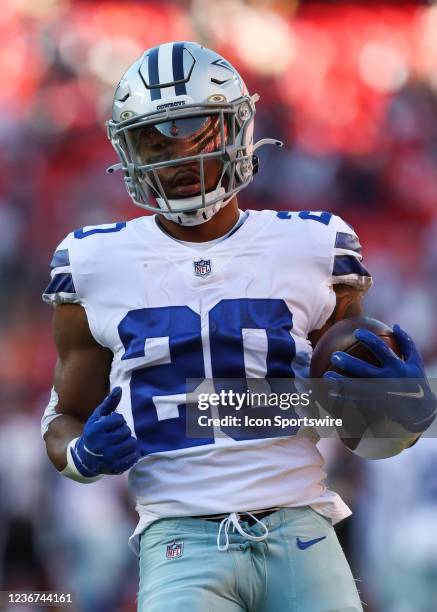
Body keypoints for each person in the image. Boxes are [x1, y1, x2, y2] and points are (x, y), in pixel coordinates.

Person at [41, 42, 435, 612]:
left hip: (302, 525)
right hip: (178, 538)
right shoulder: (92, 262)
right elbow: (64, 417)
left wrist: (399, 413)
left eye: (195, 133)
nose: (177, 159)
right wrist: (81, 455)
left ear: (237, 129)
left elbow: (354, 427)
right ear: (126, 149)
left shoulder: (315, 245)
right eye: (155, 139)